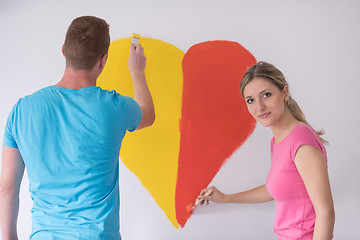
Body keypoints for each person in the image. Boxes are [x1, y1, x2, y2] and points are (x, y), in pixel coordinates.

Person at [0, 16, 155, 240]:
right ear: (103, 60)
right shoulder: (114, 107)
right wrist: (138, 73)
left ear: (64, 51)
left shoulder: (22, 110)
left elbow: (7, 187)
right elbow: (147, 114)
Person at [199, 61, 335, 239]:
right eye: (251, 100)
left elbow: (325, 211)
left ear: (285, 93)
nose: (259, 107)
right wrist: (226, 198)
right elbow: (275, 188)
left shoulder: (301, 141)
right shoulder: (277, 142)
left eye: (267, 95)